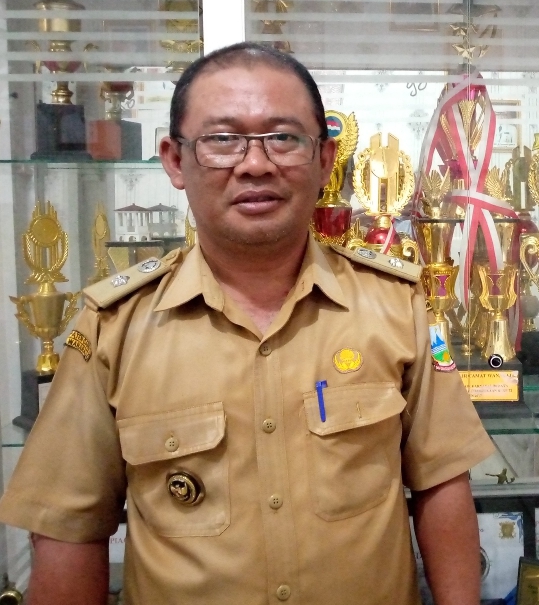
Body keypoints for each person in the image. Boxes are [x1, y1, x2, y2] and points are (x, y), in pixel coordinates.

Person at [0, 42, 494, 605]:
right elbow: (70, 529)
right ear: (174, 160)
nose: (255, 163)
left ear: (325, 160)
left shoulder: (396, 306)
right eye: (222, 139)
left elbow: (441, 482)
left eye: (283, 138)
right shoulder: (114, 327)